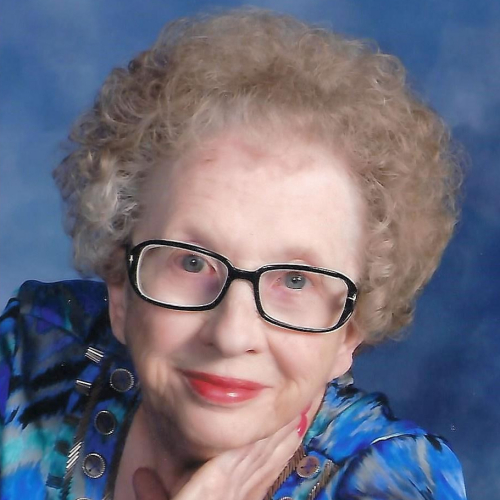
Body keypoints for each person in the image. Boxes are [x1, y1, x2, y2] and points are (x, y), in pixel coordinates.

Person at [0, 8, 467, 500]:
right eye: (192, 262)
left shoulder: (394, 481)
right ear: (120, 289)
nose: (231, 335)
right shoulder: (38, 350)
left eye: (295, 280)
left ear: (350, 332)